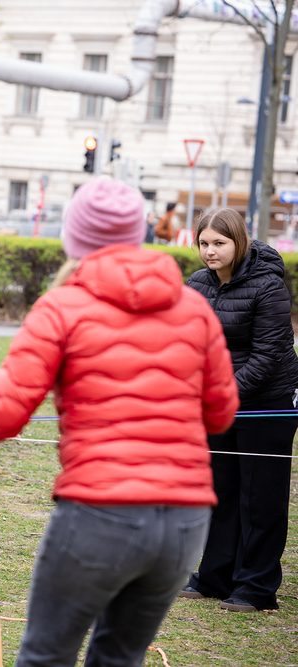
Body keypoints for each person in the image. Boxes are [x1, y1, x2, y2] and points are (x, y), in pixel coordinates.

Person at [0, 177, 238, 667]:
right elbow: (221, 412)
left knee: (46, 656)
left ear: (74, 237)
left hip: (101, 512)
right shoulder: (193, 308)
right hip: (184, 522)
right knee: (119, 659)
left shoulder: (62, 306)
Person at [182, 208, 298, 612]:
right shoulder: (197, 284)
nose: (210, 251)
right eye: (203, 243)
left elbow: (268, 356)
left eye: (219, 243)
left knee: (260, 499)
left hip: (267, 405)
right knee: (221, 491)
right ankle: (214, 577)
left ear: (239, 241)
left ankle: (256, 587)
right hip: (219, 402)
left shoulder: (268, 284)